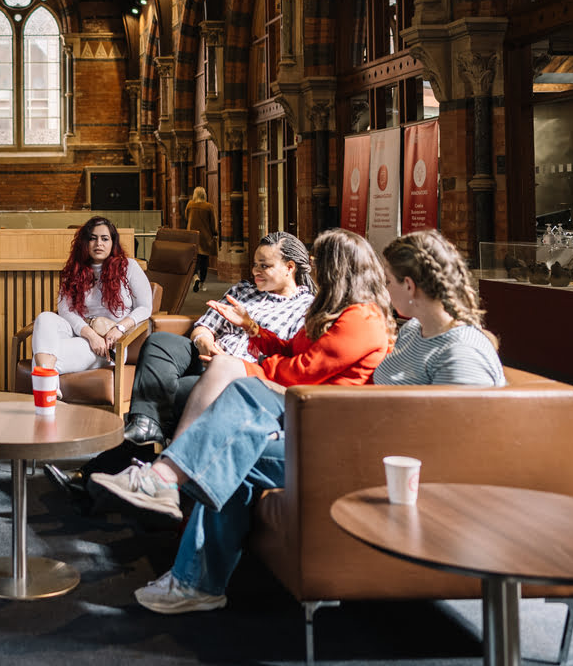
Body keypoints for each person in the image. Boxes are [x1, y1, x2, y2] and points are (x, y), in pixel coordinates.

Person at [101, 229, 503, 615]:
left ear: (411, 286)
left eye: (392, 280)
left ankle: (181, 541)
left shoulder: (462, 350)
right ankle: (177, 527)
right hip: (349, 436)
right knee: (243, 405)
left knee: (237, 431)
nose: (386, 288)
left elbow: (457, 446)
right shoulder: (417, 331)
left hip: (378, 461)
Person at [116, 231, 314, 447]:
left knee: (174, 388)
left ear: (290, 268)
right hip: (204, 357)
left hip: (239, 378)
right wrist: (205, 343)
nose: (256, 271)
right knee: (160, 341)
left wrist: (230, 362)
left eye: (265, 266)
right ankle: (147, 426)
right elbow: (205, 326)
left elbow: (285, 358)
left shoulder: (306, 308)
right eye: (255, 264)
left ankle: (147, 428)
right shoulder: (242, 291)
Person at [31, 217, 154, 376]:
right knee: (45, 317)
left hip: (108, 344)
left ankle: (47, 392)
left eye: (105, 239)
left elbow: (145, 307)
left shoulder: (128, 267)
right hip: (81, 333)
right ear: (84, 243)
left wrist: (120, 328)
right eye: (92, 239)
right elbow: (65, 310)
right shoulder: (74, 270)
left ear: (112, 243)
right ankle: (50, 392)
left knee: (41, 358)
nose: (99, 244)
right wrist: (90, 335)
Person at [185, 186, 217, 292]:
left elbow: (186, 217)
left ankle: (195, 277)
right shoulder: (209, 207)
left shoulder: (190, 205)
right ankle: (202, 283)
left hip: (193, 236)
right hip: (205, 237)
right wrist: (215, 233)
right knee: (204, 261)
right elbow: (213, 223)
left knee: (194, 259)